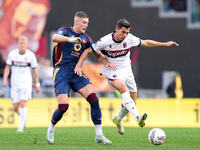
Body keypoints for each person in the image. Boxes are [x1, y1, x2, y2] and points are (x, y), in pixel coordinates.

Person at [75, 19, 179, 135]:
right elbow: (88, 51)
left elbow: (145, 43)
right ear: (117, 29)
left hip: (127, 70)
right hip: (112, 70)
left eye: (127, 32)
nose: (125, 35)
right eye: (123, 32)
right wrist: (79, 66)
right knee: (123, 89)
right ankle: (138, 117)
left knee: (133, 101)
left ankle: (118, 119)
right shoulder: (105, 41)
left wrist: (164, 44)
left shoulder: (130, 39)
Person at [47, 11, 116, 145]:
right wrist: (71, 39)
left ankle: (99, 135)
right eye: (84, 23)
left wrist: (107, 63)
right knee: (63, 106)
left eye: (87, 23)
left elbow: (97, 54)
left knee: (94, 99)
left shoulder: (86, 38)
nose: (86, 25)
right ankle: (51, 127)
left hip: (76, 72)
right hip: (61, 71)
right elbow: (54, 38)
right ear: (76, 22)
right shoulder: (65, 31)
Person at [3, 35, 40, 132]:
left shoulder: (31, 55)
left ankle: (21, 125)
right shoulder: (12, 54)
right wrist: (5, 79)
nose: (22, 44)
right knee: (15, 107)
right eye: (21, 43)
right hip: (15, 83)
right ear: (18, 43)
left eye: (24, 43)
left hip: (26, 83)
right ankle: (23, 117)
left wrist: (37, 83)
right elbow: (8, 67)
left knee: (23, 102)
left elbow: (34, 71)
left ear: (27, 44)